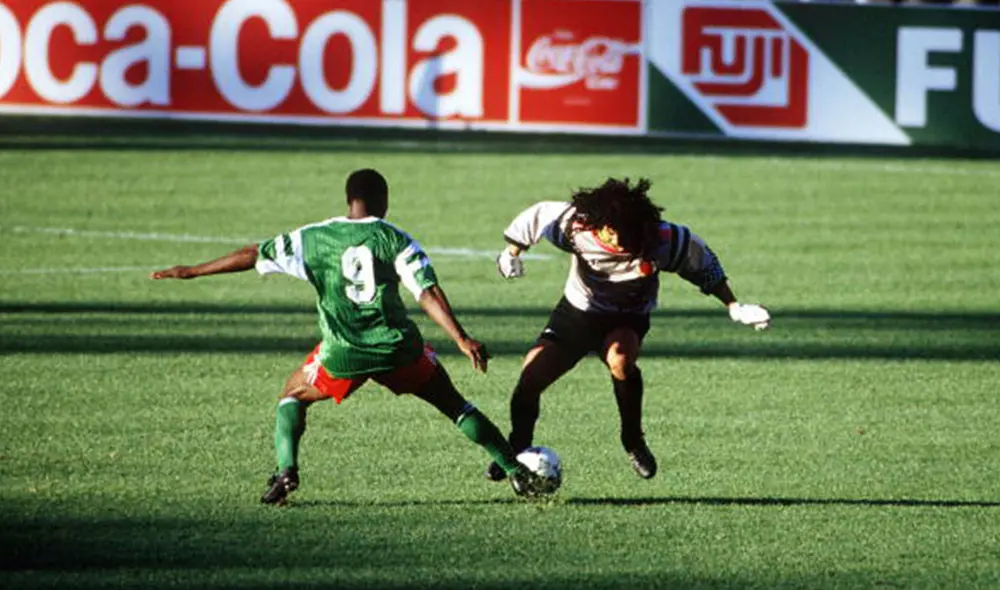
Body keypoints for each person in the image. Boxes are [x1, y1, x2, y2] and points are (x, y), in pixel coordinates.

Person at [151, 168, 538, 504]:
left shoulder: (313, 238)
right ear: (383, 200)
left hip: (344, 353)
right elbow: (426, 291)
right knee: (454, 405)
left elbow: (254, 254)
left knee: (292, 396)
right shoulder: (395, 239)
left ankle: (286, 470)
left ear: (349, 200)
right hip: (398, 349)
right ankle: (515, 471)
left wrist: (193, 271)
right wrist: (460, 338)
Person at [486, 177, 770, 482]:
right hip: (577, 314)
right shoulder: (575, 228)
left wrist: (733, 306)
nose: (621, 241)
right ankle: (517, 448)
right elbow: (539, 215)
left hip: (627, 318)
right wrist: (511, 253)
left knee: (621, 359)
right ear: (601, 225)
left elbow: (703, 262)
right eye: (614, 233)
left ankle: (633, 440)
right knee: (530, 378)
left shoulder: (659, 240)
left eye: (629, 234)